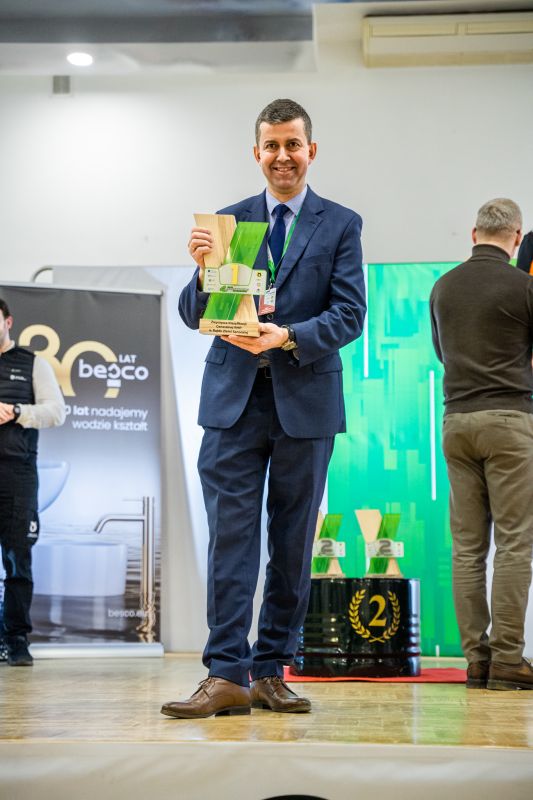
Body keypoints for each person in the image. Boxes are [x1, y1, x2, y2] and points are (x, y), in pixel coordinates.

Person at [162, 98, 365, 718]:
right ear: (257, 153)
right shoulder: (228, 223)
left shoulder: (341, 224)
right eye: (271, 146)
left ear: (311, 150)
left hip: (305, 400)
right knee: (231, 540)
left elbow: (350, 314)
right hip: (233, 403)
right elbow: (194, 314)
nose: (282, 156)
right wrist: (201, 271)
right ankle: (225, 674)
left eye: (292, 144)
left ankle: (271, 671)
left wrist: (288, 336)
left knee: (293, 543)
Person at [430, 198, 533, 691]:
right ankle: (509, 659)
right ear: (516, 238)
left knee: (468, 548)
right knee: (514, 543)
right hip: (511, 421)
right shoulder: (525, 286)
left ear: (473, 235)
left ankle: (476, 660)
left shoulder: (443, 287)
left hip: (456, 421)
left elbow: (442, 353)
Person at [0, 297, 66, 666]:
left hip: (17, 474)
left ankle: (16, 640)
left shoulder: (32, 363)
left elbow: (56, 412)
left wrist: (17, 411)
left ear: (8, 322)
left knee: (18, 558)